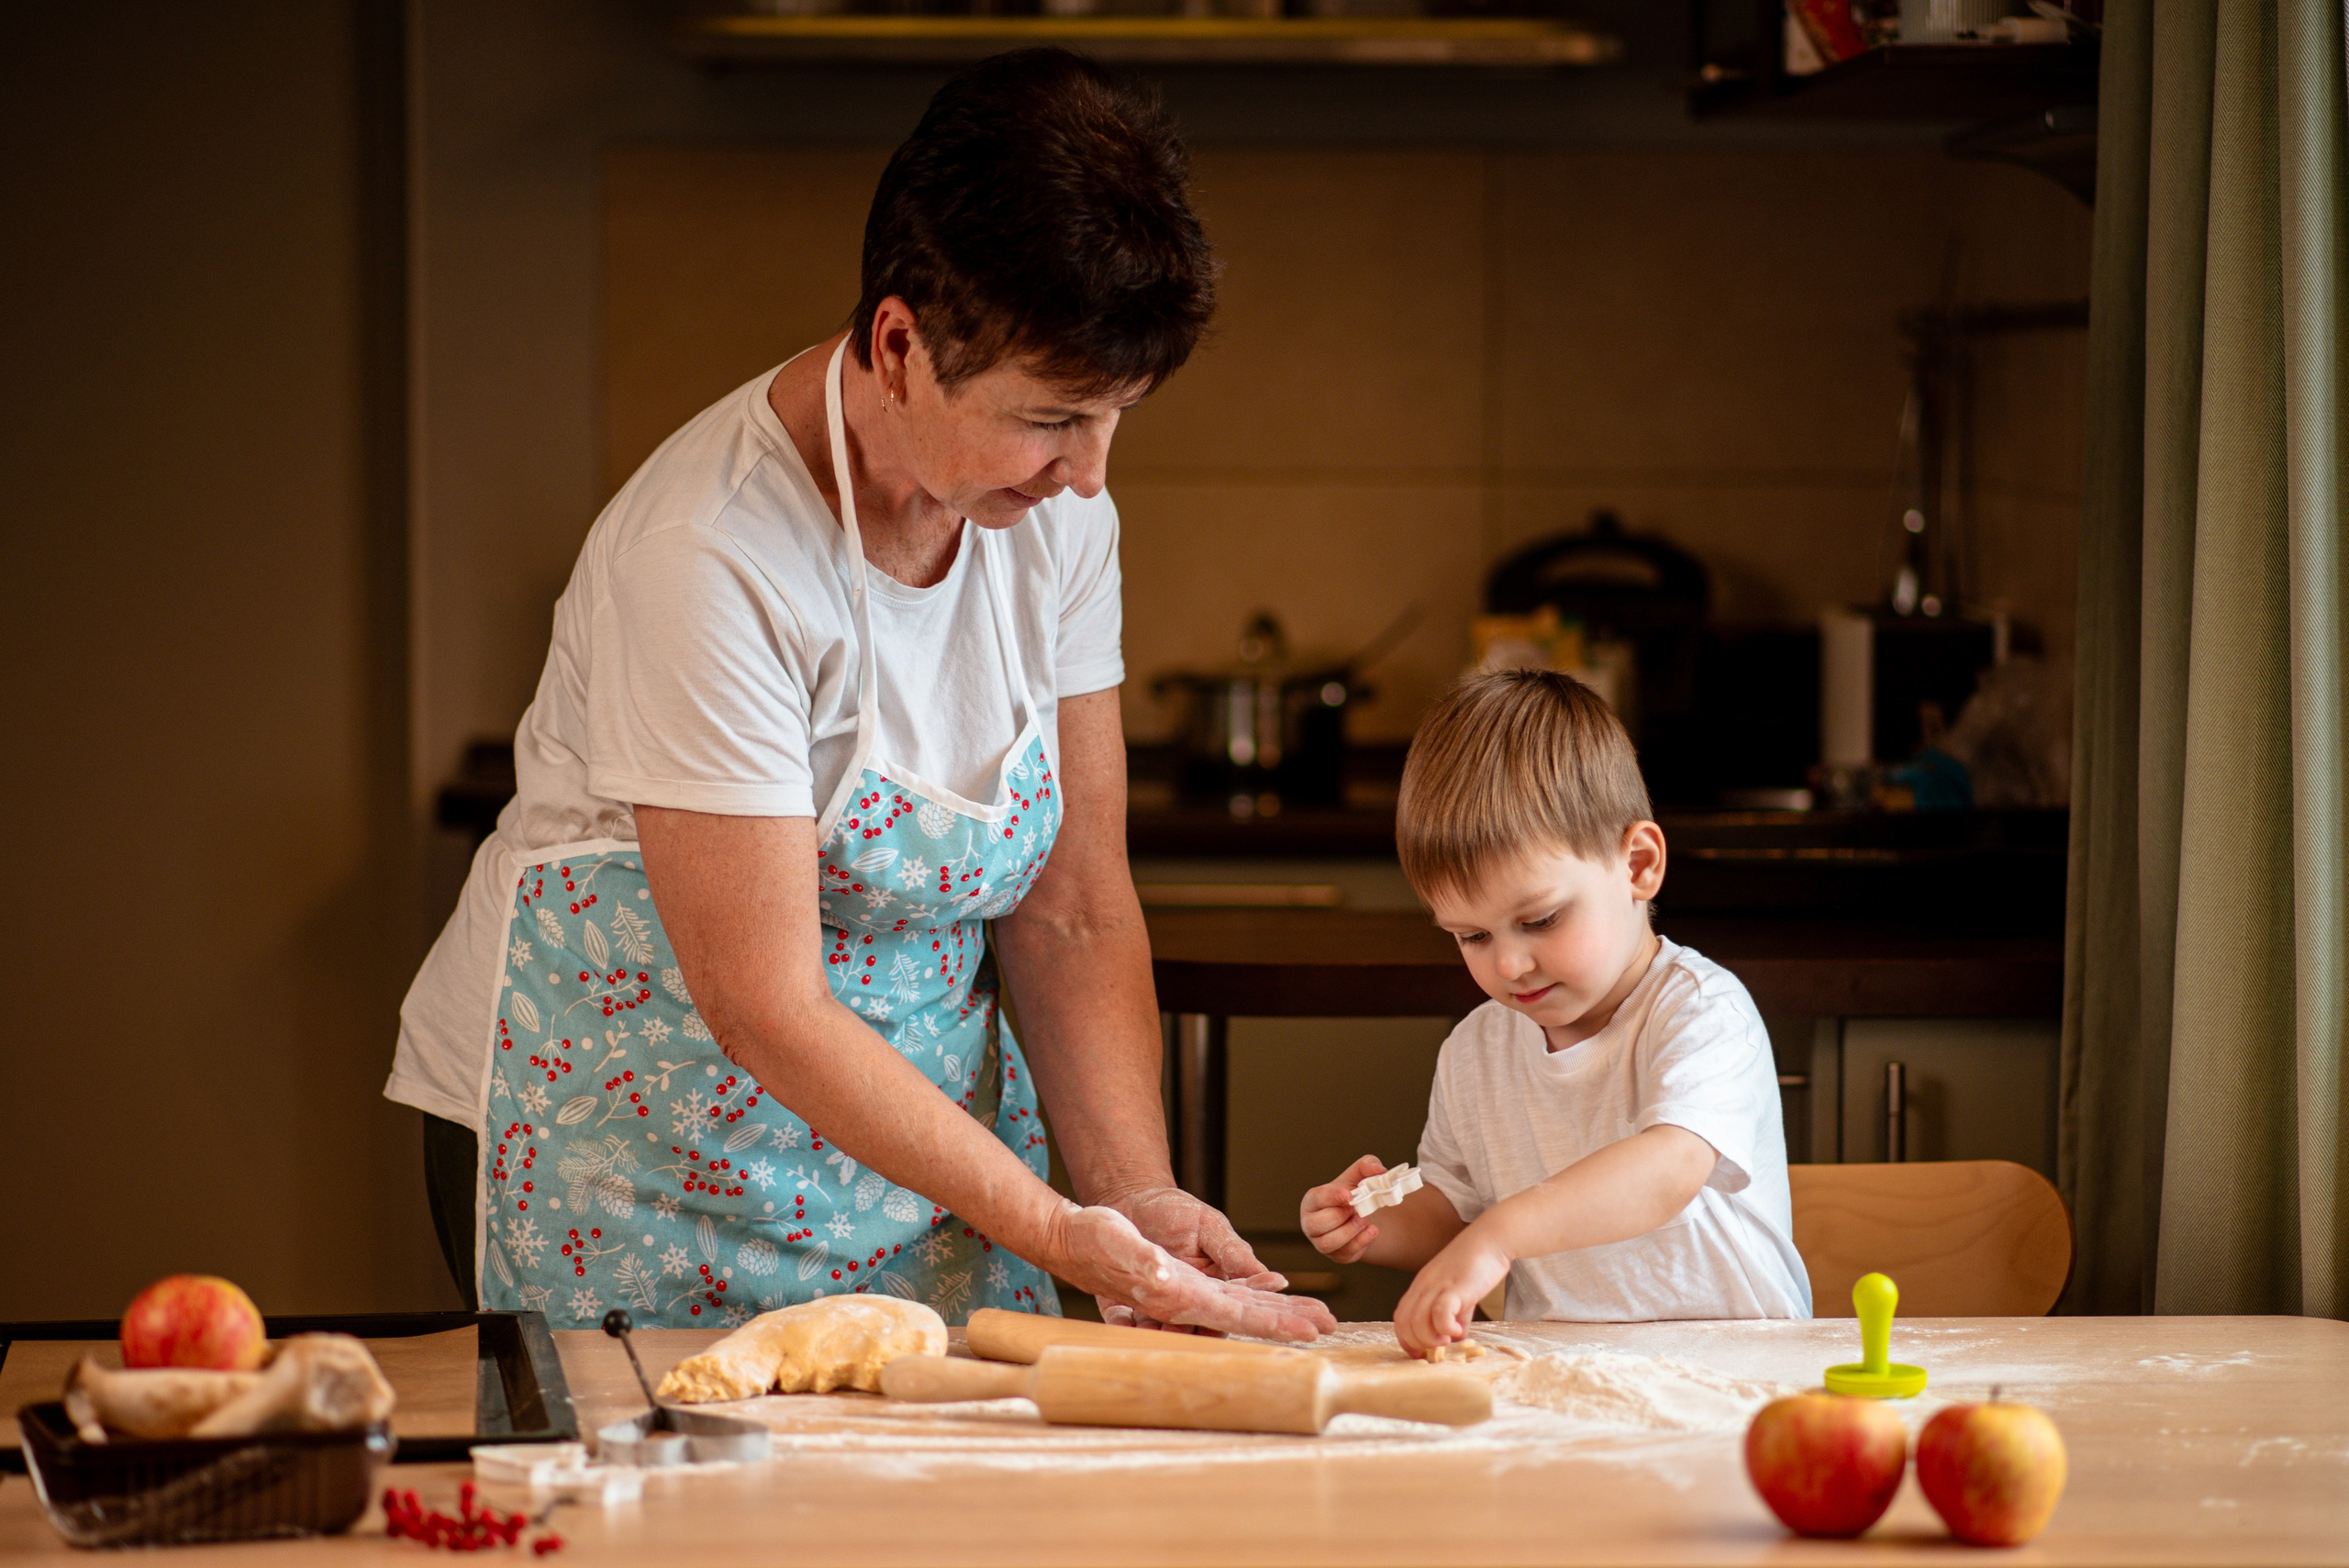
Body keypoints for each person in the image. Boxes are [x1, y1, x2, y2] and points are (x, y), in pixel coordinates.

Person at [386, 49, 1330, 1341]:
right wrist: (1055, 1230)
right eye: (1054, 416)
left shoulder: (1048, 518)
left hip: (925, 1177)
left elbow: (1073, 906)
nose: (1090, 474)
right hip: (634, 1162)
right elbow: (764, 1000)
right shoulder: (709, 555)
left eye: (1117, 415)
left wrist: (1135, 1197)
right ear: (900, 342)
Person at [1298, 671, 1809, 1354]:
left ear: (1638, 865)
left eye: (1539, 919)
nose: (1508, 964)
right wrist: (1371, 1223)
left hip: (1737, 1375)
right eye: (1472, 936)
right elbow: (1457, 1212)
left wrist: (1501, 1233)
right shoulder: (1476, 1050)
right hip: (1562, 1376)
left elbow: (1668, 1167)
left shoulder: (1700, 1011)